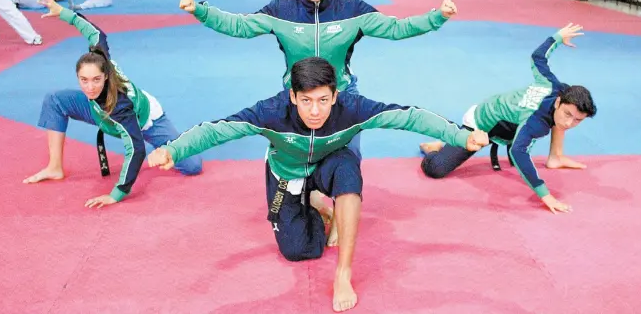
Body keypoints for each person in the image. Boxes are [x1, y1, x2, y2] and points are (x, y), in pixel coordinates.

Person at [148, 56, 489, 312]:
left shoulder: (352, 108)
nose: (315, 111)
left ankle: (343, 272)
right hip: (288, 171)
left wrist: (460, 136)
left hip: (330, 162)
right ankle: (318, 206)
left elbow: (408, 116)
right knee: (302, 251)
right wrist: (174, 149)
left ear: (335, 95)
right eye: (307, 101)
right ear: (293, 96)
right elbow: (217, 129)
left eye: (323, 100)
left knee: (348, 173)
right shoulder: (270, 112)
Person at [181, 0, 457, 160]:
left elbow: (397, 28)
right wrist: (202, 11)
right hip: (297, 97)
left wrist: (437, 16)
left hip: (343, 96)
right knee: (298, 161)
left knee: (348, 160)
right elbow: (240, 26)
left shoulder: (354, 11)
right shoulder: (281, 10)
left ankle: (341, 214)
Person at [24, 0, 202, 208]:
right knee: (56, 100)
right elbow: (95, 32)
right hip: (100, 112)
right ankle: (54, 166)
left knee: (192, 166)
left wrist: (116, 194)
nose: (89, 87)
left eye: (96, 80)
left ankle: (175, 142)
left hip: (146, 120)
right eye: (84, 80)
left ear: (106, 75)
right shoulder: (100, 57)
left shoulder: (120, 106)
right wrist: (62, 12)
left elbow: (136, 150)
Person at [419, 23, 597, 214]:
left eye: (579, 120)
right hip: (481, 125)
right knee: (436, 169)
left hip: (509, 122)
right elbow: (519, 153)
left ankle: (556, 157)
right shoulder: (535, 122)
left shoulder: (555, 86)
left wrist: (557, 38)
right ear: (558, 101)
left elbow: (538, 58)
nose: (570, 123)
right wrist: (545, 194)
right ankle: (442, 142)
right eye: (569, 114)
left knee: (559, 119)